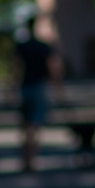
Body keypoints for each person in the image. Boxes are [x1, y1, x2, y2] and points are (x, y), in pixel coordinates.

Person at [14, 18, 61, 172]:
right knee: (36, 124)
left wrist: (12, 88)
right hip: (39, 87)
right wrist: (58, 87)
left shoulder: (22, 46)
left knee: (26, 125)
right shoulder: (43, 47)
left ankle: (26, 159)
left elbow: (17, 68)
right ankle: (32, 158)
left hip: (26, 87)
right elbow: (52, 67)